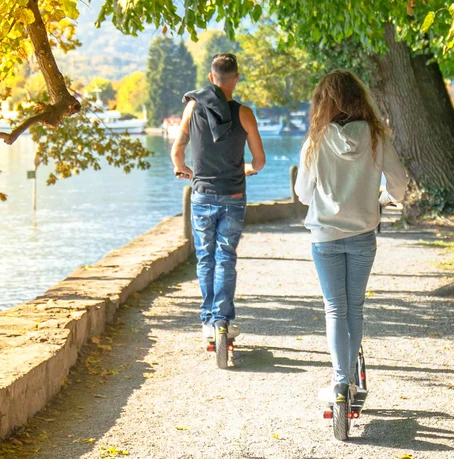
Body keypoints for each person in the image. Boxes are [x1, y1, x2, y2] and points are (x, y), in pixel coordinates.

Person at [294, 69, 407, 400]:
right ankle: (350, 380)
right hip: (362, 235)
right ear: (360, 99)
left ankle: (341, 382)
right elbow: (399, 183)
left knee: (335, 308)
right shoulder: (376, 137)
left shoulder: (315, 141)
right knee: (354, 307)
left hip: (325, 236)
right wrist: (385, 198)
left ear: (322, 102)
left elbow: (303, 193)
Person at [171, 53, 266, 341]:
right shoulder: (244, 113)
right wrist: (247, 169)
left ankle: (207, 322)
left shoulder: (192, 107)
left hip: (202, 195)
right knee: (225, 257)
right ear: (236, 78)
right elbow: (259, 161)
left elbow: (177, 151)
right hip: (234, 196)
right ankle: (223, 321)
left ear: (212, 78)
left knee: (205, 258)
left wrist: (184, 170)